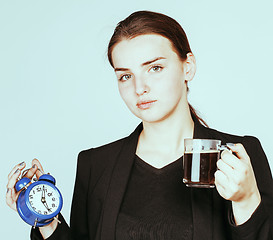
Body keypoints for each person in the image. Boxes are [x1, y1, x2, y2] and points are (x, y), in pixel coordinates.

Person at [6, 10, 273, 240]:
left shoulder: (239, 156)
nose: (139, 88)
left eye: (154, 68)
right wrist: (45, 216)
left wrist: (247, 201)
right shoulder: (94, 165)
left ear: (188, 67)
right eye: (125, 76)